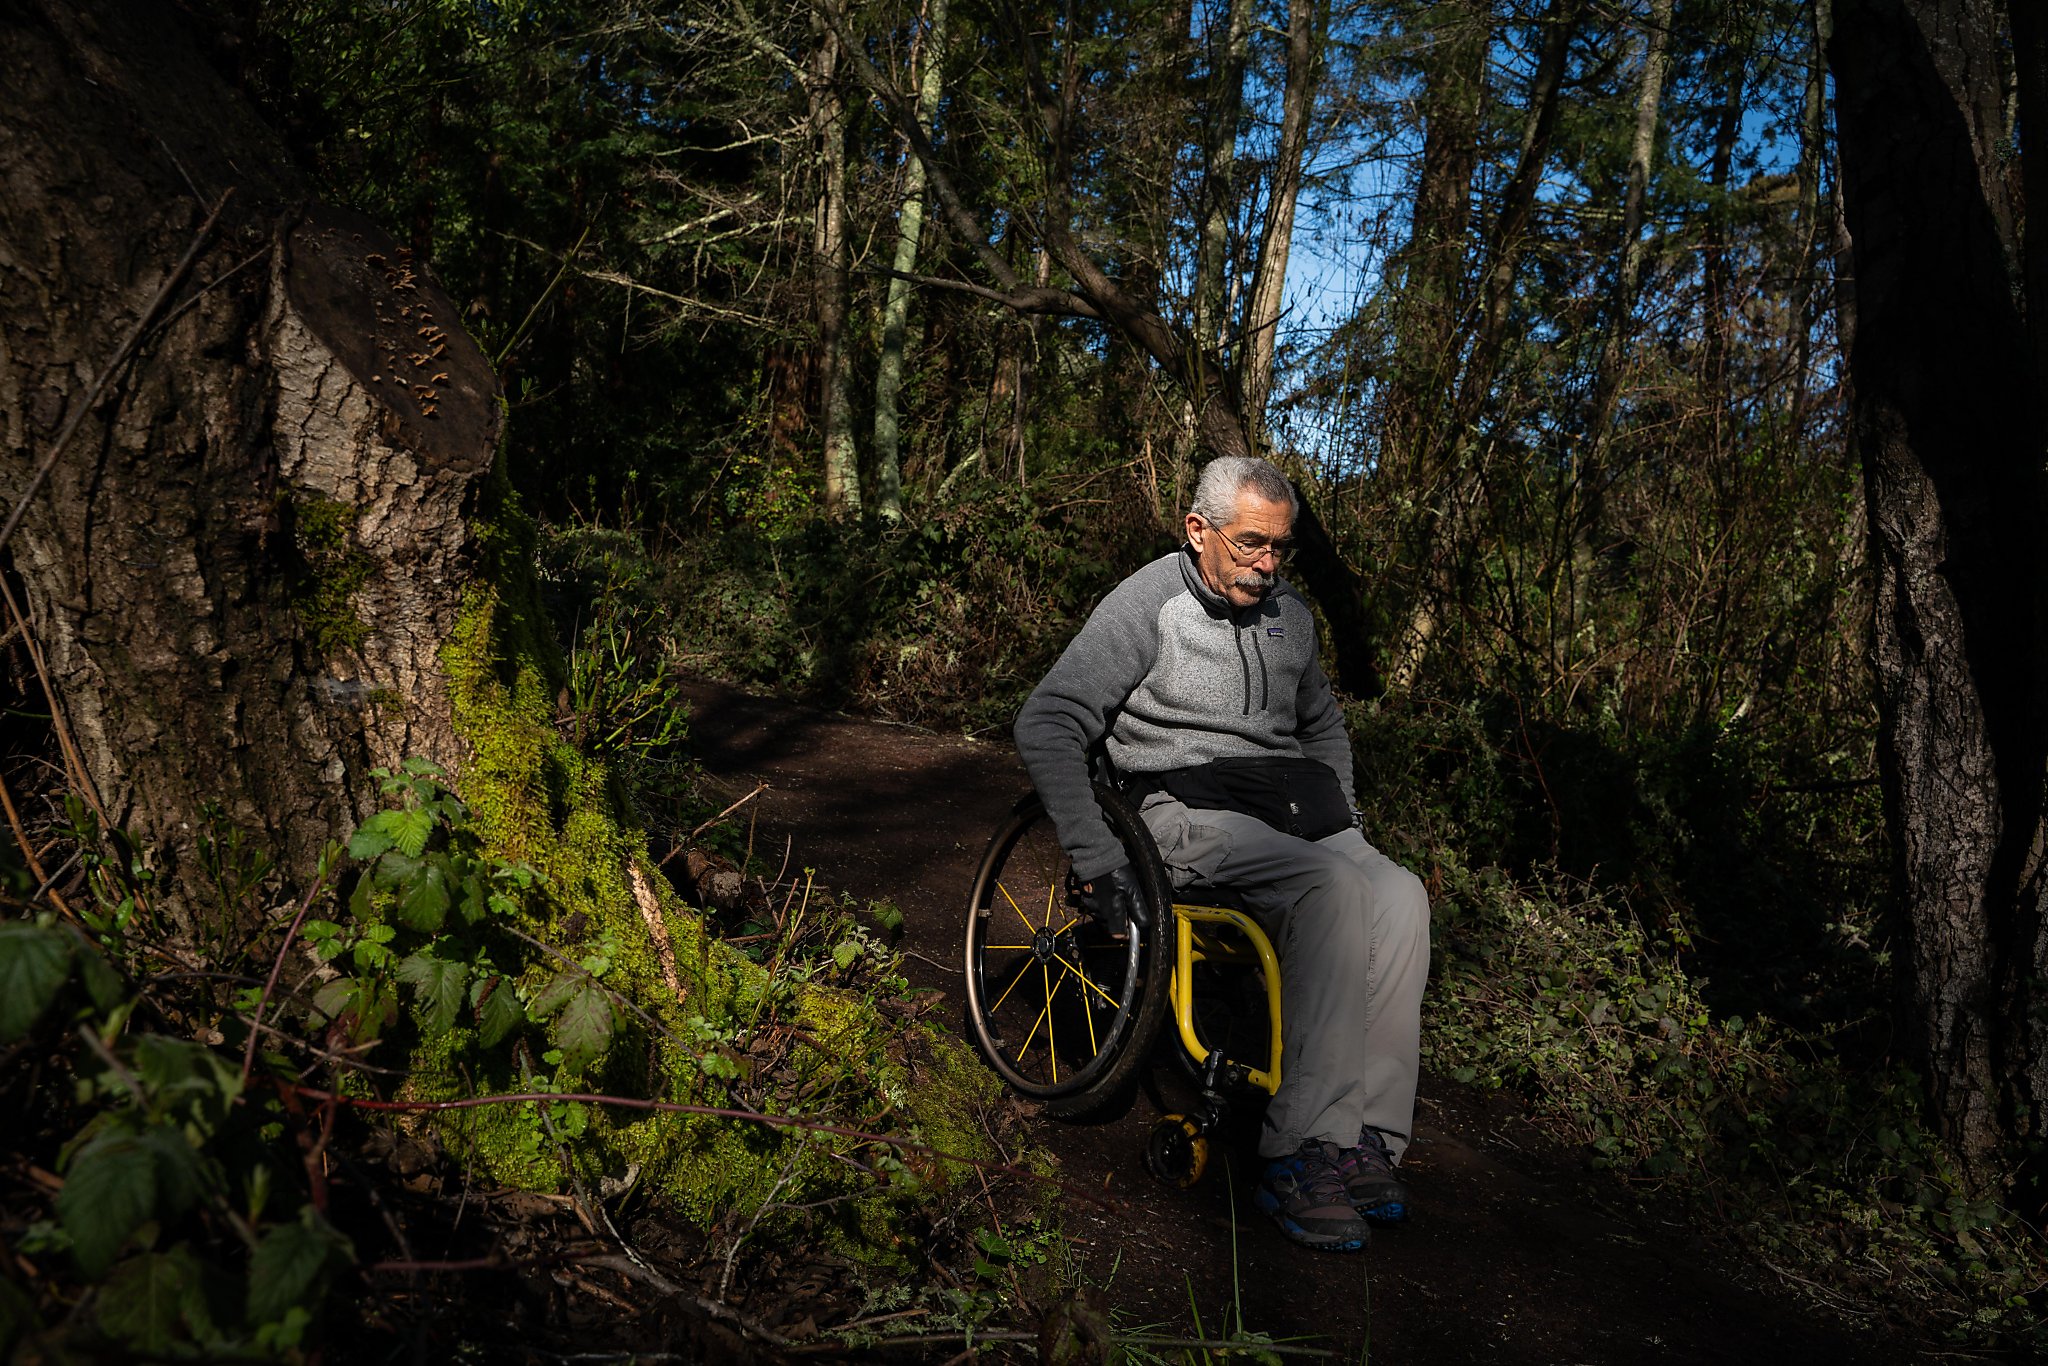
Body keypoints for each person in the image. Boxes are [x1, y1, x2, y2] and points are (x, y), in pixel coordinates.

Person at [1013, 455, 1430, 1253]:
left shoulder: (1290, 617)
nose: (1267, 565)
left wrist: (1349, 823)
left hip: (1283, 811)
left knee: (1400, 893)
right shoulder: (1147, 604)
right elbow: (1048, 721)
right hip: (1176, 809)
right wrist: (1096, 858)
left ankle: (1366, 1139)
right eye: (1250, 545)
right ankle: (1300, 1153)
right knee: (1332, 889)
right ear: (1197, 529)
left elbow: (1324, 726)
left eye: (1281, 547)